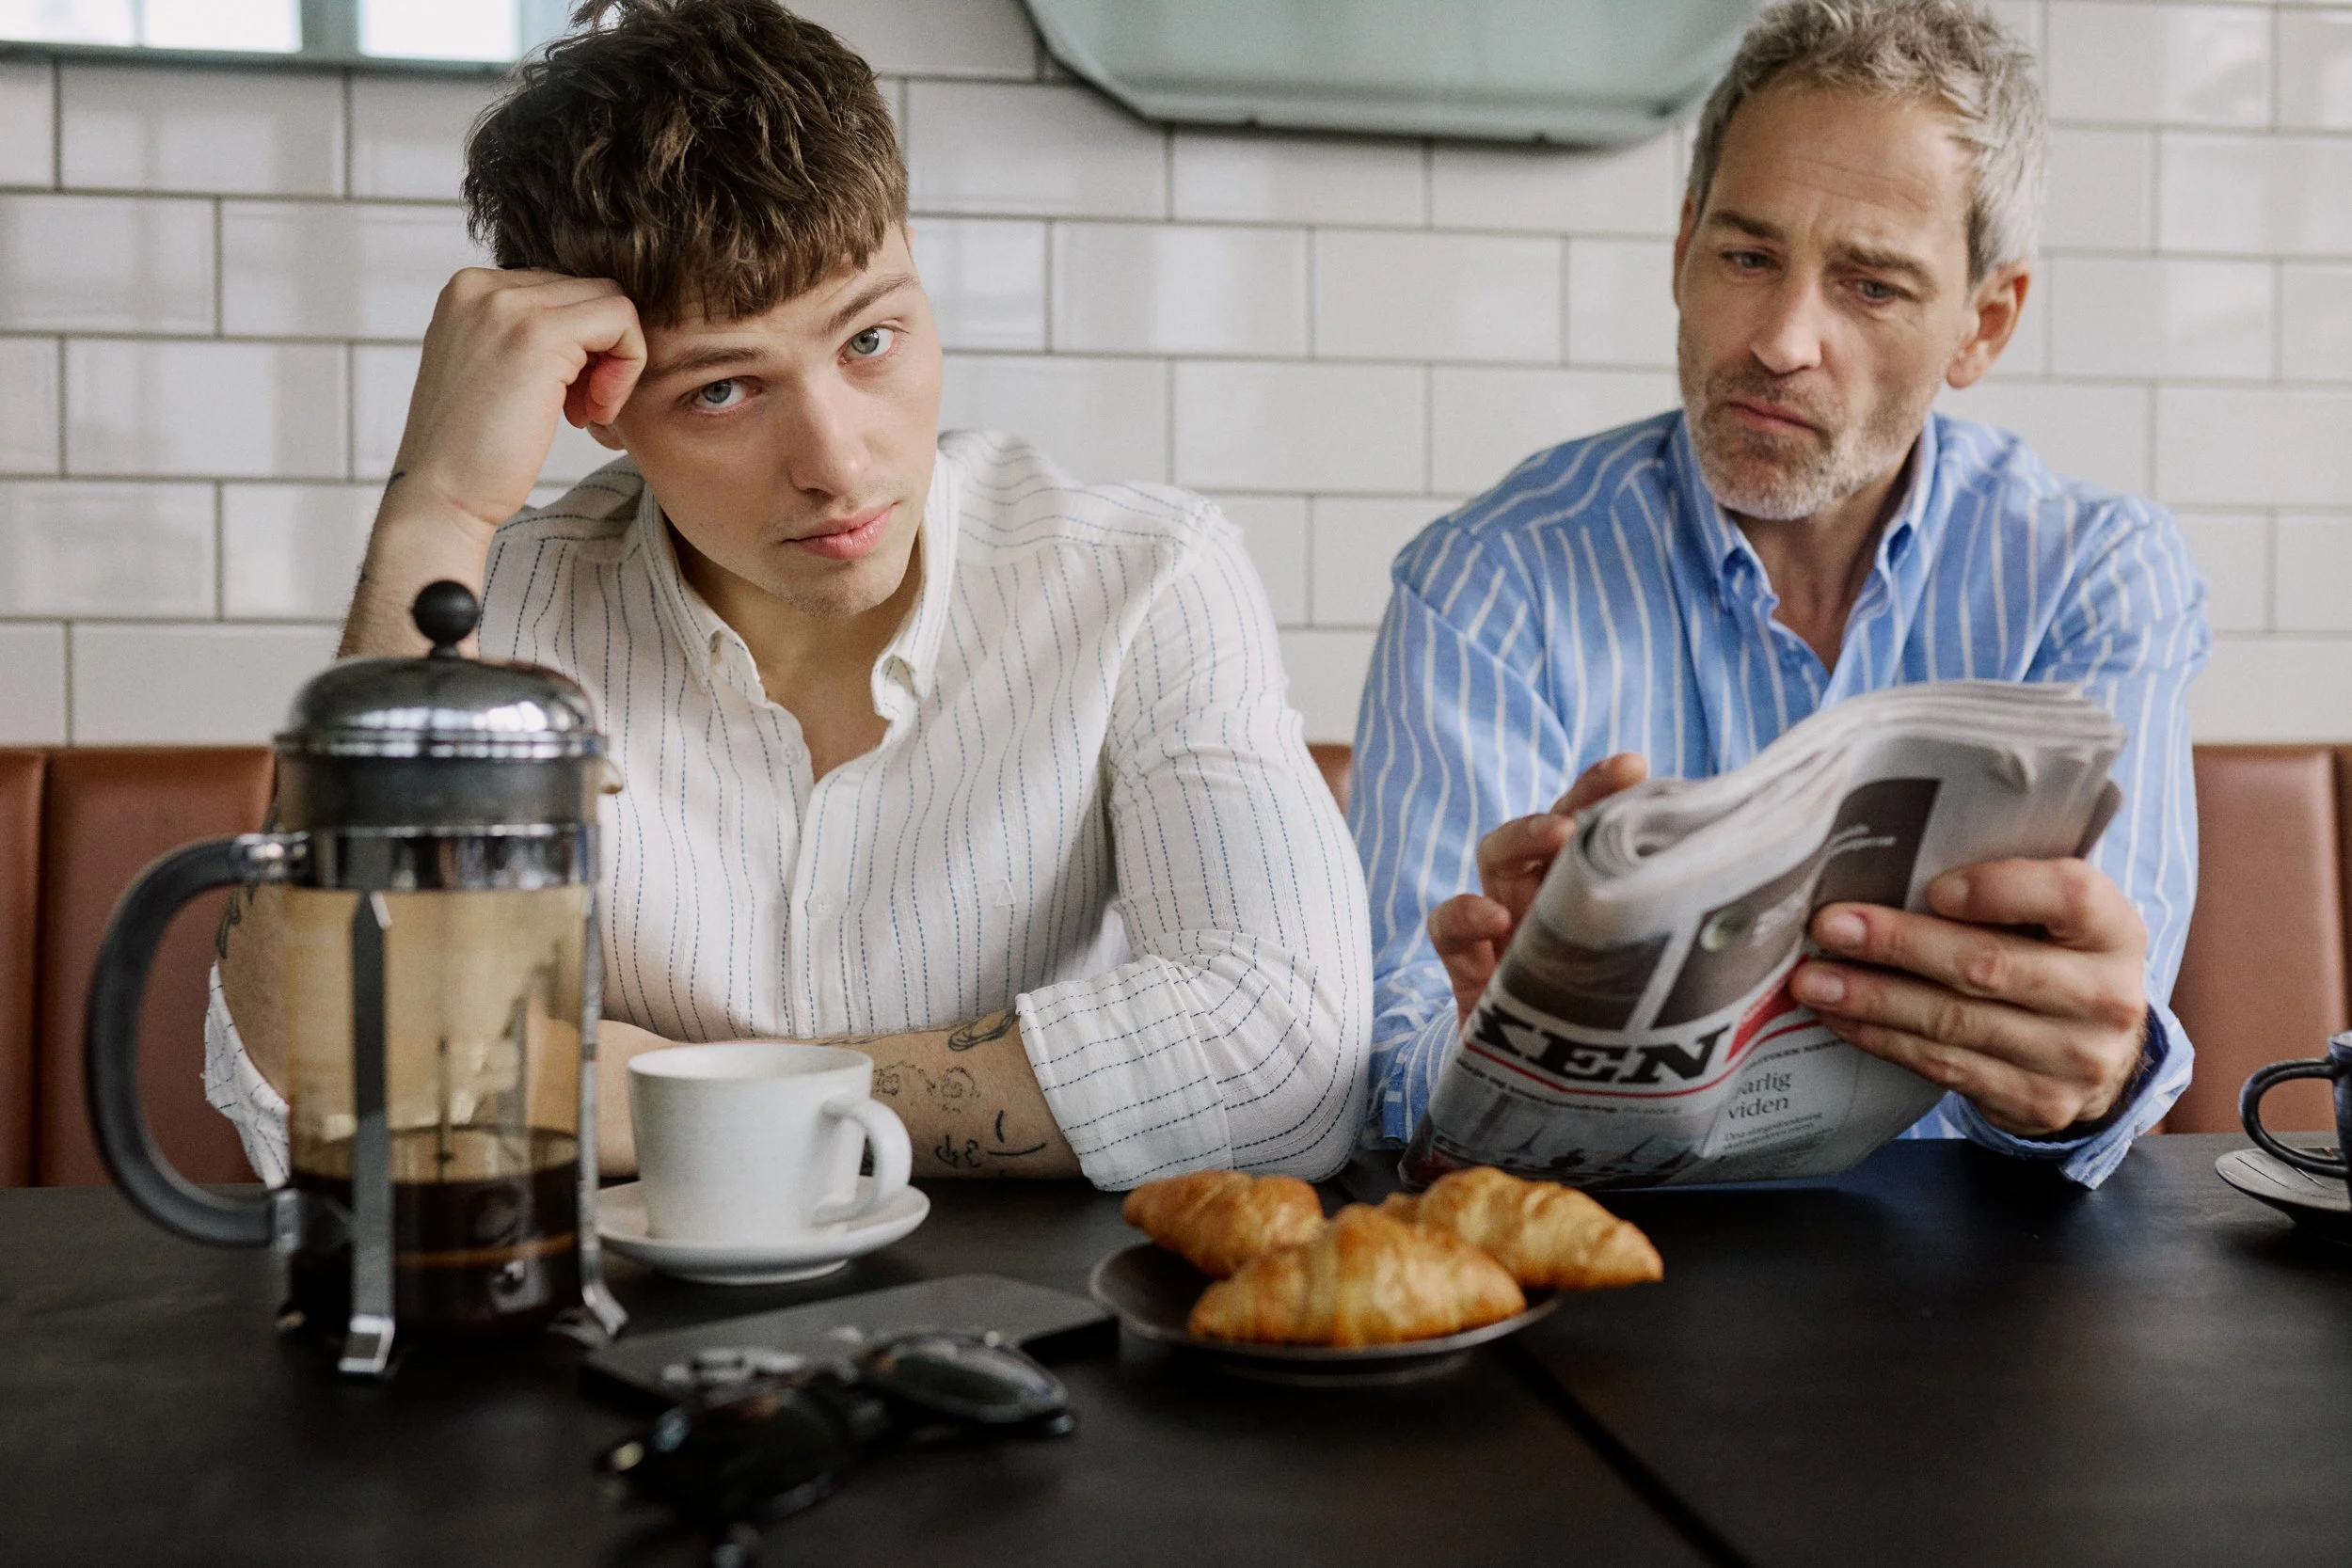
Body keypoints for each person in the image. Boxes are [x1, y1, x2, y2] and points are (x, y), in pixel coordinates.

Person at [209, 0, 1370, 1190]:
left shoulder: (1143, 575)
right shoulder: (485, 606)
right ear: (595, 400)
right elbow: (302, 1097)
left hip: (1024, 1337)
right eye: (722, 391)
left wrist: (674, 1098)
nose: (839, 461)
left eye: (870, 340)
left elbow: (1286, 1060)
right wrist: (435, 512)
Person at [1350, 0, 2205, 1187]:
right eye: (1748, 257)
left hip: (1974, 1298)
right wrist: (1478, 1039)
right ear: (1683, 243)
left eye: (1869, 286)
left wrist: (2086, 1077)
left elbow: (2105, 1041)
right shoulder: (1490, 579)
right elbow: (1384, 1054)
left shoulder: (2094, 576)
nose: (1782, 339)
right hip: (1594, 1264)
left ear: (1983, 322)